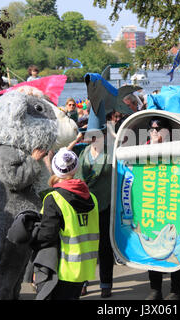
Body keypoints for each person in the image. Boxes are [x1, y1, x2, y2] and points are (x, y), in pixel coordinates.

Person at [30, 148, 99, 300]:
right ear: (76, 168)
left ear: (55, 170)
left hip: (62, 269)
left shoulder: (53, 198)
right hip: (84, 268)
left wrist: (31, 236)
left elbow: (47, 236)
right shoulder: (92, 198)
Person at [72, 104, 114, 298]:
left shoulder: (112, 154)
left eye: (97, 134)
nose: (93, 138)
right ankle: (84, 281)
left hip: (105, 205)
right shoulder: (83, 153)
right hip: (86, 207)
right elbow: (78, 179)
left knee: (104, 247)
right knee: (86, 247)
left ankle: (106, 284)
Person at [144, 116, 180, 301]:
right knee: (153, 245)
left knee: (176, 246)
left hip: (173, 204)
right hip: (152, 204)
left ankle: (176, 290)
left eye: (158, 129)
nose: (154, 131)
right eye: (151, 129)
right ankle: (155, 289)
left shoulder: (177, 148)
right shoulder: (144, 149)